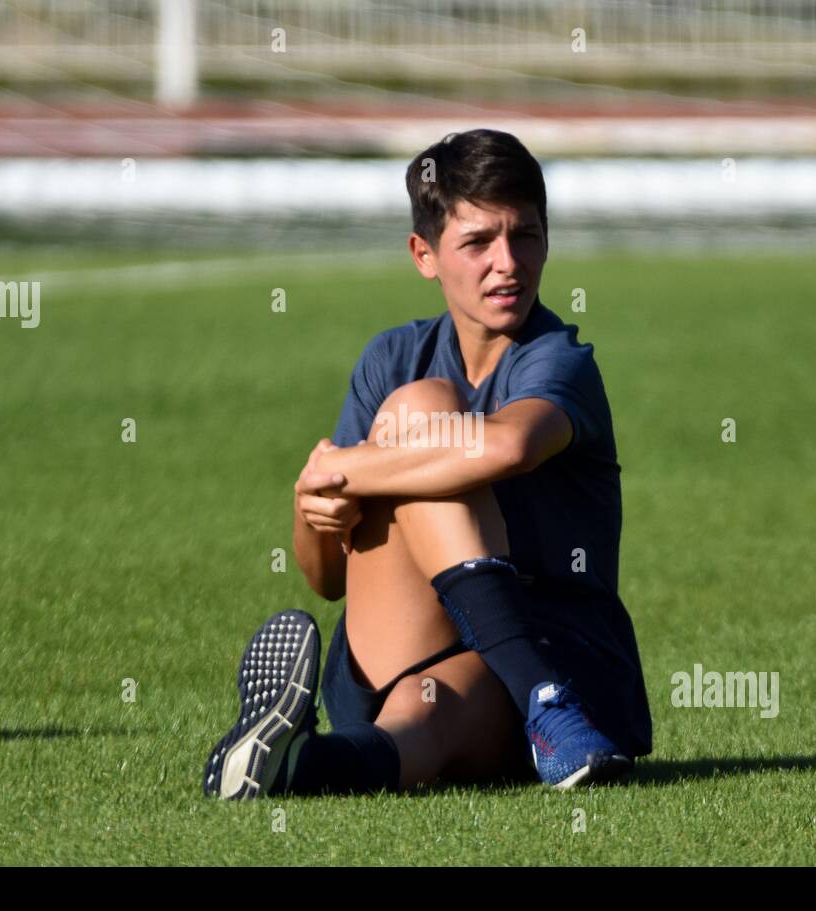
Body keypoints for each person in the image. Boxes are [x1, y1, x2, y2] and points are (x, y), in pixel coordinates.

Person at [204, 129, 652, 800]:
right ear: (424, 254)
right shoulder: (390, 360)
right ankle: (539, 704)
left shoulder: (557, 358)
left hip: (559, 647)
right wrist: (310, 507)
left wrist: (347, 470)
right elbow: (328, 578)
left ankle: (305, 767)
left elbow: (507, 447)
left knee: (429, 709)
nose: (508, 263)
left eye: (525, 236)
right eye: (478, 242)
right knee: (420, 409)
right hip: (408, 642)